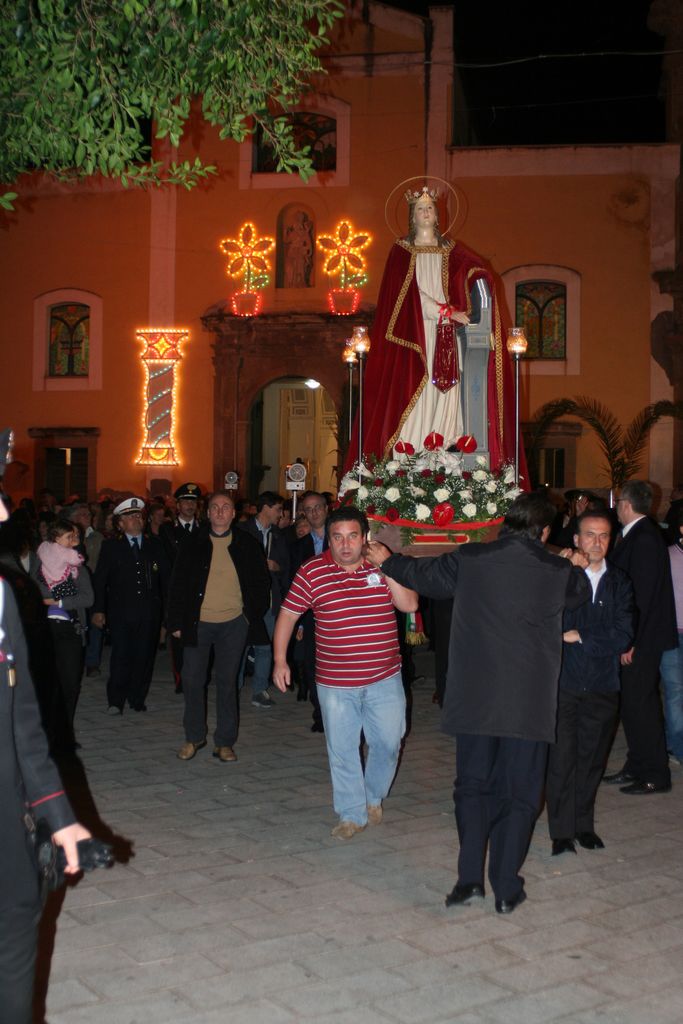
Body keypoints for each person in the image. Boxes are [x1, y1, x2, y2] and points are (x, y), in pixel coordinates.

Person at [366, 492, 591, 912]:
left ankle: (469, 880)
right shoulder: (556, 570)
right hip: (527, 704)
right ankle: (505, 887)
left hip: (475, 699)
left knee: (472, 787)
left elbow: (424, 576)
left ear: (506, 523)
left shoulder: (471, 559)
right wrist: (573, 562)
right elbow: (578, 594)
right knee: (520, 792)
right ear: (544, 531)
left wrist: (387, 560)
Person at [346, 184, 517, 469]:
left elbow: (477, 269)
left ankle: (443, 450)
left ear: (437, 216)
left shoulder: (452, 250)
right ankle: (411, 453)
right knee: (419, 387)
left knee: (448, 390)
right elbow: (407, 296)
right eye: (420, 209)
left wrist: (477, 282)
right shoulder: (401, 251)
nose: (426, 212)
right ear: (412, 217)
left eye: (430, 208)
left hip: (447, 332)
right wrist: (446, 311)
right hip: (416, 334)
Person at [273, 506, 418, 838]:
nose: (345, 545)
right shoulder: (312, 570)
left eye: (352, 536)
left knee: (388, 743)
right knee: (342, 749)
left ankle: (373, 796)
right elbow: (289, 614)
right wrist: (280, 659)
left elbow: (409, 605)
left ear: (364, 537)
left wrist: (388, 566)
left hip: (384, 677)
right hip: (335, 682)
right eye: (337, 537)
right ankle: (351, 813)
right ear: (328, 539)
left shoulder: (383, 564)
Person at [0, 493, 91, 1024]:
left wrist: (59, 816)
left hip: (8, 819)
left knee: (18, 934)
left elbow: (24, 725)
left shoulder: (4, 597)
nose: (5, 515)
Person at [545, 511, 634, 855]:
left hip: (602, 684)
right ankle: (561, 832)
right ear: (576, 539)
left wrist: (581, 635)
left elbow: (622, 635)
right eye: (590, 535)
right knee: (562, 759)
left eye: (604, 535)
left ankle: (584, 826)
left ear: (611, 540)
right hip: (564, 683)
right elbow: (550, 622)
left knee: (592, 759)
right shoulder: (562, 577)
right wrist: (568, 573)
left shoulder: (620, 582)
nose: (597, 542)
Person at [167, 491, 270, 762]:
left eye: (226, 507)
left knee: (227, 682)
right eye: (215, 507)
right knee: (192, 679)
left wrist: (249, 617)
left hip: (233, 624)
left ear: (234, 513)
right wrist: (175, 622)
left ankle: (224, 742)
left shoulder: (247, 544)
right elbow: (177, 583)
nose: (221, 511)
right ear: (208, 512)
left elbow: (261, 584)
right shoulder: (193, 543)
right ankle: (194, 736)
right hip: (198, 623)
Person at [604, 480, 678, 794]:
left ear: (626, 504)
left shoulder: (644, 537)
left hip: (642, 639)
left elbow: (643, 597)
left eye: (618, 501)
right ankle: (636, 766)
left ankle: (655, 774)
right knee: (633, 706)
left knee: (641, 706)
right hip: (639, 636)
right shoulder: (638, 534)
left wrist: (630, 641)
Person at [92, 497, 169, 715]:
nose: (136, 519)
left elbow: (166, 579)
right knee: (121, 656)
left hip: (149, 612)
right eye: (131, 516)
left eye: (139, 516)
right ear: (120, 524)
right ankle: (115, 700)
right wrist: (99, 609)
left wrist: (167, 614)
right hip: (121, 612)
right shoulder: (111, 547)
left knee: (144, 656)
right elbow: (100, 580)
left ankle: (137, 697)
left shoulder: (155, 545)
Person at [36, 519, 93, 753]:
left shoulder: (79, 568)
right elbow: (34, 593)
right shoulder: (39, 565)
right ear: (56, 539)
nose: (75, 541)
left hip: (70, 630)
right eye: (70, 536)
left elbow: (88, 598)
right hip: (45, 630)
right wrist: (58, 595)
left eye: (76, 536)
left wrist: (58, 600)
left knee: (69, 684)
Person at [237, 490, 289, 708]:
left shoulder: (278, 535)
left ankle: (259, 690)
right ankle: (234, 687)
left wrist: (276, 567)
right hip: (245, 599)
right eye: (278, 509)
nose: (281, 514)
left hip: (270, 600)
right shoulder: (242, 530)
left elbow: (286, 566)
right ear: (266, 508)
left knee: (265, 646)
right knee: (240, 645)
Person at [289, 491, 330, 731]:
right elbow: (293, 585)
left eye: (317, 507)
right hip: (311, 615)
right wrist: (300, 622)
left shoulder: (339, 538)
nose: (314, 513)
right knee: (313, 665)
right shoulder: (298, 547)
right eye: (308, 509)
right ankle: (320, 714)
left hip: (338, 612)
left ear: (326, 509)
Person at [661, 505, 683, 765]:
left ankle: (673, 741)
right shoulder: (667, 556)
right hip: (672, 634)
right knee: (675, 691)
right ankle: (678, 747)